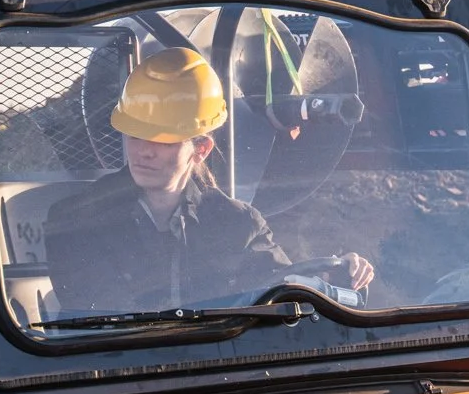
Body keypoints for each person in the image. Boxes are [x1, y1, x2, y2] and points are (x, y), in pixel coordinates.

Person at [44, 49, 373, 319]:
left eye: (164, 140)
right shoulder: (74, 221)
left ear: (200, 149)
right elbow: (106, 326)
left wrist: (336, 275)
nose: (143, 151)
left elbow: (279, 291)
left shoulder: (240, 224)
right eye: (135, 134)